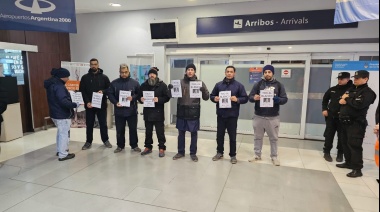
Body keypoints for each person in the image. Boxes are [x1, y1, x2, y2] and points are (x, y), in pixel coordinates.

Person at [337, 70, 377, 178]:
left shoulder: (368, 92)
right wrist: (347, 99)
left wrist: (347, 99)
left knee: (354, 145)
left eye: (358, 78)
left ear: (365, 79)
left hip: (356, 123)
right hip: (345, 122)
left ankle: (357, 169)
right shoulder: (351, 89)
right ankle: (349, 162)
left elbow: (358, 105)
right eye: (354, 78)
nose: (355, 80)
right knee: (345, 143)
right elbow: (343, 99)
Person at [248, 65, 288, 166]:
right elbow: (250, 97)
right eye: (265, 72)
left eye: (269, 72)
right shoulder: (258, 84)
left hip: (273, 117)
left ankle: (274, 156)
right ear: (263, 73)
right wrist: (254, 98)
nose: (267, 74)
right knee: (257, 137)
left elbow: (285, 99)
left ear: (273, 73)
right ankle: (257, 154)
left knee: (274, 138)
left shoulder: (279, 85)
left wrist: (277, 99)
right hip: (259, 116)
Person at [169, 64, 209, 162]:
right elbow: (171, 95)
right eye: (188, 70)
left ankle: (193, 153)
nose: (190, 71)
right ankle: (180, 152)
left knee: (193, 134)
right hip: (182, 111)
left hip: (193, 112)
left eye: (192, 70)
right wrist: (169, 89)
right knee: (181, 133)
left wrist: (203, 91)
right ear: (186, 71)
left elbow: (206, 97)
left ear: (194, 72)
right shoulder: (180, 82)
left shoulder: (200, 83)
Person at [210, 66, 248, 164]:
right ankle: (219, 152)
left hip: (232, 115)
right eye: (228, 71)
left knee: (232, 136)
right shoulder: (218, 85)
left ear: (234, 73)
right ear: (225, 73)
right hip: (221, 115)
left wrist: (237, 99)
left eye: (231, 72)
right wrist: (215, 98)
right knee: (219, 135)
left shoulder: (239, 86)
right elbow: (211, 95)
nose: (229, 73)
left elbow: (245, 98)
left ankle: (233, 155)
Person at [44, 68, 79, 161]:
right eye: (67, 77)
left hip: (55, 113)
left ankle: (60, 150)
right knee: (64, 134)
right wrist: (75, 104)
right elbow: (63, 101)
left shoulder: (51, 84)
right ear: (62, 77)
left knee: (60, 133)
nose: (68, 79)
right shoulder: (59, 86)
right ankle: (63, 154)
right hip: (62, 114)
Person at [108, 64, 141, 153]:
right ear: (119, 72)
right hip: (119, 111)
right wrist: (115, 102)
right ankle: (120, 146)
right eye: (122, 72)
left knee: (133, 129)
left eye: (125, 72)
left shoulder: (135, 83)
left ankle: (134, 145)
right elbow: (110, 94)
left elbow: (139, 94)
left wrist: (133, 98)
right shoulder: (114, 83)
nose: (124, 74)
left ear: (128, 72)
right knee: (119, 130)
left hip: (132, 111)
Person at [80, 58, 112, 150]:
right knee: (89, 124)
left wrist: (103, 91)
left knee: (103, 123)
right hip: (90, 105)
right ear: (90, 65)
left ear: (98, 65)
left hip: (101, 105)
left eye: (95, 64)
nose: (93, 66)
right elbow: (82, 91)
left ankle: (105, 140)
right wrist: (87, 102)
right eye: (92, 64)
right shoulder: (85, 77)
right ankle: (88, 141)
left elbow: (109, 89)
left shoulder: (104, 77)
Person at [138, 67, 170, 157]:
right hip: (147, 112)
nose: (152, 75)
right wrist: (141, 99)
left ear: (156, 75)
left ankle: (161, 148)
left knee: (160, 132)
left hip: (158, 112)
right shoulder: (144, 85)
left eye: (153, 74)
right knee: (148, 132)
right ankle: (148, 147)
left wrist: (159, 99)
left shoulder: (162, 85)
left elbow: (167, 97)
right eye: (150, 74)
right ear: (148, 75)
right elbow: (139, 96)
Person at [321, 72, 353, 162]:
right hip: (331, 116)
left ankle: (340, 153)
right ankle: (326, 152)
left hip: (343, 117)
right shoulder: (333, 89)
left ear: (347, 79)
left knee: (342, 136)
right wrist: (324, 109)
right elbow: (325, 100)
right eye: (339, 79)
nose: (340, 80)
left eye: (342, 79)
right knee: (329, 134)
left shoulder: (351, 90)